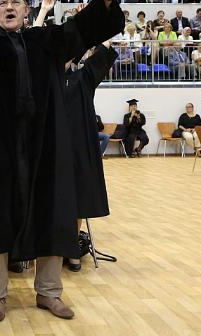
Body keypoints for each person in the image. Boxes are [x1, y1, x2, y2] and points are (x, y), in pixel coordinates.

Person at [0, 0, 127, 323]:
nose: (9, 7)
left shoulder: (46, 40)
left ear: (27, 11)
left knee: (52, 210)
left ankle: (49, 292)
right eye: (2, 3)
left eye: (16, 3)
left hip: (44, 143)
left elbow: (83, 28)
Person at [64, 42, 118, 271]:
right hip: (49, 149)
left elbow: (102, 55)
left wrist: (98, 37)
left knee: (77, 197)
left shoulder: (82, 79)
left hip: (76, 149)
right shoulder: (43, 80)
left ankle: (72, 248)